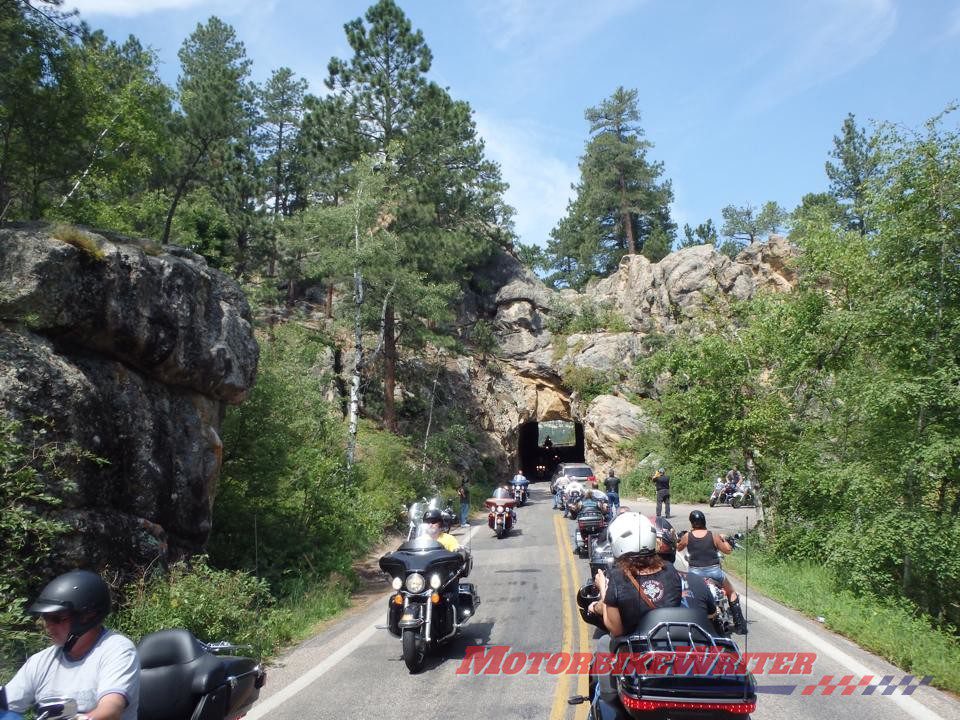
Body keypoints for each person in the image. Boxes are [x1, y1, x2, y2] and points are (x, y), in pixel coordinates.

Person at [3, 570, 140, 720]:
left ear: (88, 616)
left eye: (56, 618)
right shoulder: (40, 662)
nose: (48, 626)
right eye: (45, 618)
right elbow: (5, 706)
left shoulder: (117, 650)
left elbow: (111, 710)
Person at [676, 510, 747, 634]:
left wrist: (680, 538)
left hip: (695, 574)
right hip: (714, 572)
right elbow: (728, 550)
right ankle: (740, 627)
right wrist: (723, 539)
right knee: (731, 592)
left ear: (692, 522)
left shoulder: (687, 536)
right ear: (704, 521)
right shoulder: (713, 535)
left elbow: (678, 547)